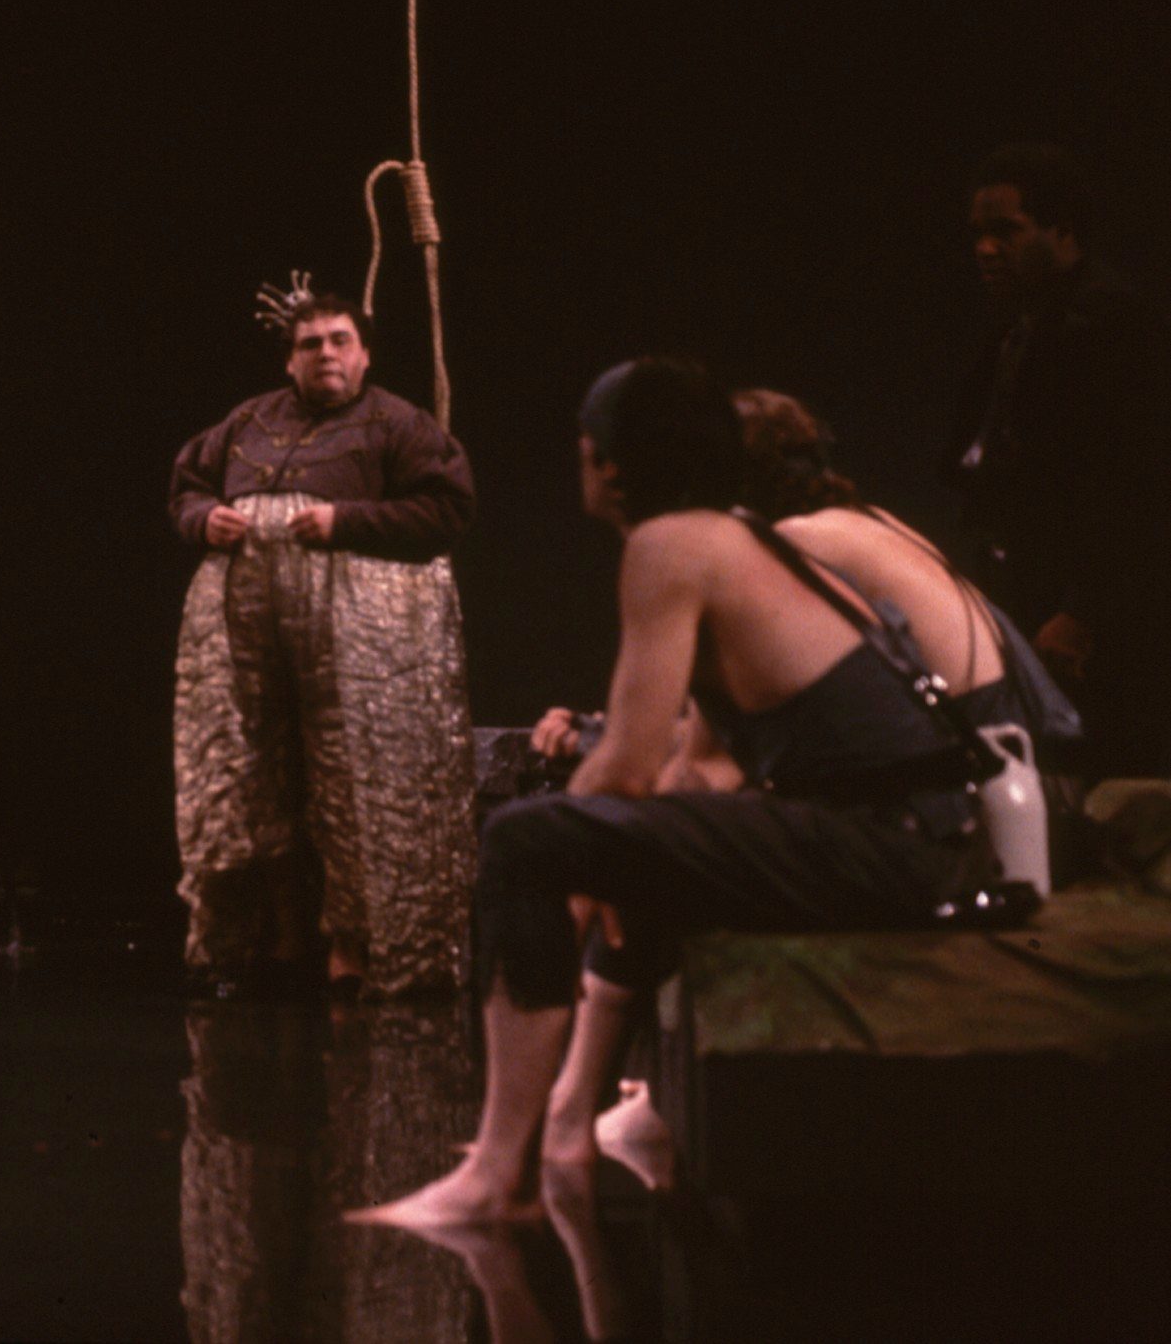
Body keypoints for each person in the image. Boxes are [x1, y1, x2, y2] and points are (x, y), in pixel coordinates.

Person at [357, 358, 1004, 1227]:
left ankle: (498, 1175)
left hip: (900, 843)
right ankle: (564, 1128)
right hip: (920, 837)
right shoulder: (728, 540)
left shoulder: (670, 547)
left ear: (608, 460)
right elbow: (679, 767)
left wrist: (585, 870)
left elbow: (620, 770)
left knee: (523, 839)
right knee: (630, 834)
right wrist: (620, 851)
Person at [524, 384, 1061, 1193]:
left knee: (672, 822)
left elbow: (722, 744)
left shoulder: (793, 546)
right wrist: (608, 732)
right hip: (989, 767)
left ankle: (588, 1101)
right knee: (677, 808)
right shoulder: (858, 521)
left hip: (971, 790)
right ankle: (624, 1096)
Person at [167, 291, 477, 996]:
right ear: (290, 359)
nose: (326, 354)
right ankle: (275, 936)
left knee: (351, 781)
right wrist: (203, 518)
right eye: (310, 344)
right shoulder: (248, 420)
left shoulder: (399, 423)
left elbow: (447, 509)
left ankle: (352, 944)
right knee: (249, 776)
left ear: (365, 354)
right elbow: (184, 486)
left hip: (357, 639)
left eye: (340, 341)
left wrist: (347, 522)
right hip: (245, 633)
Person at [948, 142, 1171, 778]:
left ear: (1063, 231)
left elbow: (1141, 484)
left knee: (1104, 776)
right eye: (978, 234)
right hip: (1029, 591)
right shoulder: (1020, 329)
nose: (986, 249)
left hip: (1094, 613)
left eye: (1006, 231)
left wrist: (1083, 608)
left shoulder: (1113, 327)